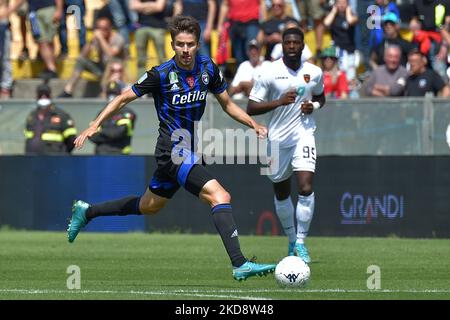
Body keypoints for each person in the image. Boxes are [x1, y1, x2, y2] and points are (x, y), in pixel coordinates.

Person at [67, 15, 276, 281]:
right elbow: (123, 97)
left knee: (149, 206)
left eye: (190, 44)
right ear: (172, 44)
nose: (185, 50)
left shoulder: (208, 68)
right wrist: (95, 124)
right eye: (180, 44)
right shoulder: (161, 74)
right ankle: (240, 263)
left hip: (187, 150)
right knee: (220, 196)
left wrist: (253, 124)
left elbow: (228, 104)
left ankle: (87, 212)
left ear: (198, 43)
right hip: (172, 150)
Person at [247, 27, 326, 263]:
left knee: (305, 187)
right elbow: (251, 107)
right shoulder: (269, 72)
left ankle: (301, 243)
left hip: (304, 134)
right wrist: (279, 102)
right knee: (281, 192)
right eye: (288, 43)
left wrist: (314, 106)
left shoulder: (314, 72)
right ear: (283, 45)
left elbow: (321, 97)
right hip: (277, 138)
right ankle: (291, 239)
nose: (292, 46)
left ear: (303, 46)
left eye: (296, 43)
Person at [58, 17, 126, 98]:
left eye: (104, 28)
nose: (101, 31)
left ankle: (106, 93)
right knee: (81, 61)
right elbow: (83, 55)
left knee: (112, 63)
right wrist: (90, 42)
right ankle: (68, 90)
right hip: (101, 68)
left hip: (115, 70)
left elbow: (111, 55)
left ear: (110, 28)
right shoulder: (97, 39)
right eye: (99, 28)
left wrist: (101, 39)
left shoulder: (118, 38)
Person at [3, 0, 63, 79]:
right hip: (43, 11)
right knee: (47, 41)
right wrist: (59, 9)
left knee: (43, 42)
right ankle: (50, 67)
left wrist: (8, 11)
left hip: (43, 11)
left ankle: (51, 68)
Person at [24, 82, 77, 154]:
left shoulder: (61, 115)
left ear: (50, 96)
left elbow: (71, 140)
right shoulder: (32, 116)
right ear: (37, 97)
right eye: (40, 95)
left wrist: (63, 154)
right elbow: (28, 138)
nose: (43, 97)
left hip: (55, 159)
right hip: (33, 159)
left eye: (46, 95)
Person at [90, 81, 137, 155]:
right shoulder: (101, 113)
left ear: (120, 94)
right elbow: (92, 136)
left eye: (115, 94)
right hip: (100, 155)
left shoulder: (127, 113)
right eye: (109, 94)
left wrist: (101, 132)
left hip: (120, 154)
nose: (111, 97)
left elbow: (117, 133)